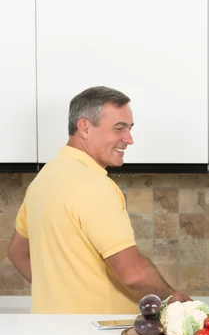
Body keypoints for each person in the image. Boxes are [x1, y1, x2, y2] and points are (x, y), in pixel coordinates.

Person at [7, 86, 190, 314]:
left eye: (130, 129)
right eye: (119, 129)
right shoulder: (93, 185)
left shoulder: (44, 179)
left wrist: (63, 297)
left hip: (53, 331)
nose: (129, 139)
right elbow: (133, 275)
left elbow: (17, 252)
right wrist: (173, 299)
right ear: (84, 127)